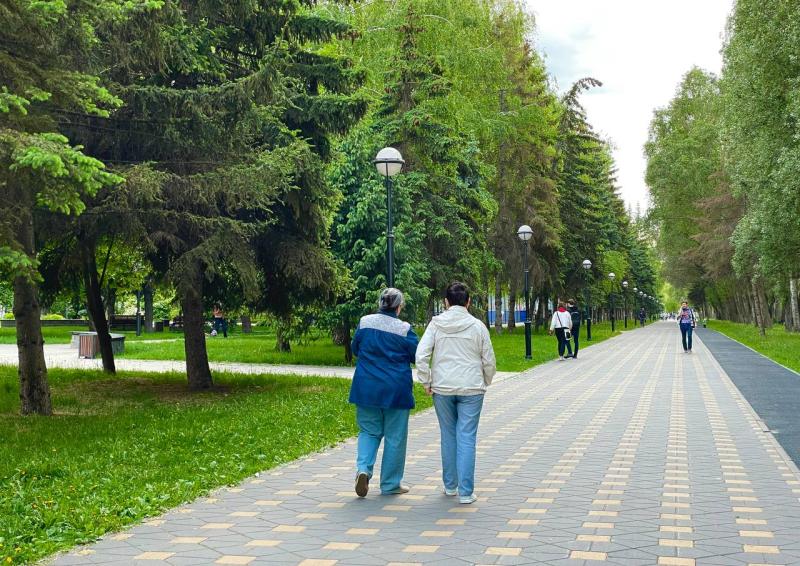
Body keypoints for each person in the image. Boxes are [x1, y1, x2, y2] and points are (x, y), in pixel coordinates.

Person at [416, 282, 496, 505]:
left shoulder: (436, 325)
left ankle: (450, 486)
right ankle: (466, 492)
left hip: (442, 388)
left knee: (448, 434)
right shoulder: (478, 326)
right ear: (468, 302)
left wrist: (426, 380)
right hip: (472, 388)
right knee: (467, 436)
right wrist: (486, 380)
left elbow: (421, 355)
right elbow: (489, 359)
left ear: (446, 302)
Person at [350, 288, 419, 497]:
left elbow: (355, 348)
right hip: (395, 390)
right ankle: (390, 484)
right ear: (399, 307)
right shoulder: (404, 329)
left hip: (366, 387)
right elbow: (416, 355)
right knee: (395, 437)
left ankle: (363, 469)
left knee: (368, 431)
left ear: (379, 303)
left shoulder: (365, 322)